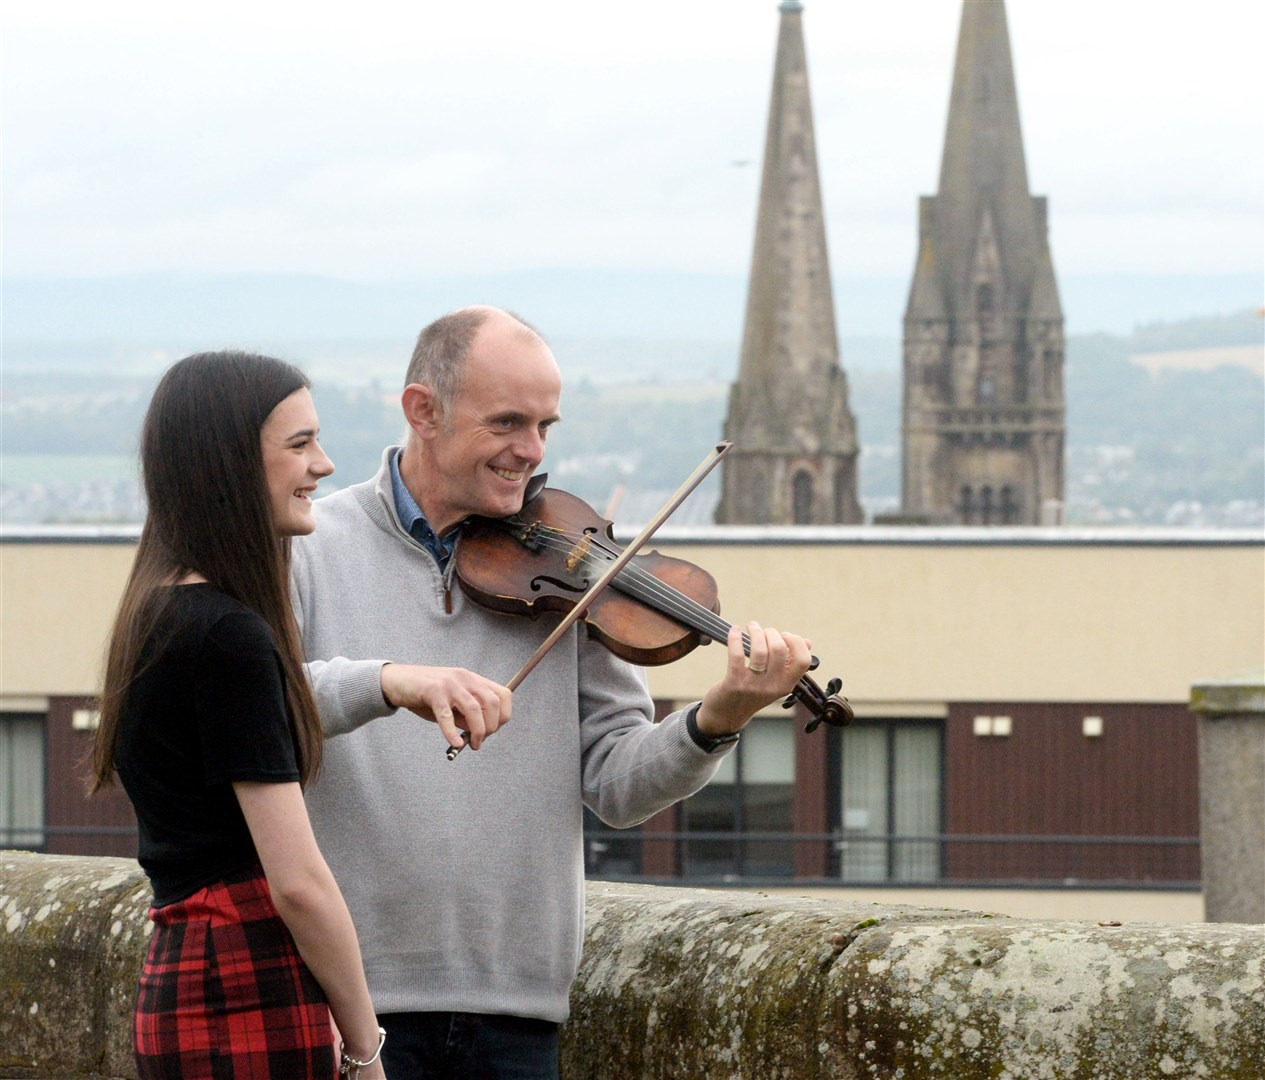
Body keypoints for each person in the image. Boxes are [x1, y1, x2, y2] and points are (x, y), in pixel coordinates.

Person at [290, 306, 812, 1079]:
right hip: (347, 1005)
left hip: (518, 1013)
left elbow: (618, 784)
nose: (531, 454)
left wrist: (719, 715)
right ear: (421, 411)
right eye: (507, 423)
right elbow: (263, 704)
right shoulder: (307, 547)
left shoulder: (575, 571)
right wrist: (390, 680)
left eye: (545, 425)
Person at [91, 351, 388, 1079]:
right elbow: (298, 881)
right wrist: (365, 1049)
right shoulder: (228, 636)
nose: (323, 464)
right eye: (298, 444)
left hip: (184, 971)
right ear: (226, 463)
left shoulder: (157, 608)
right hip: (242, 978)